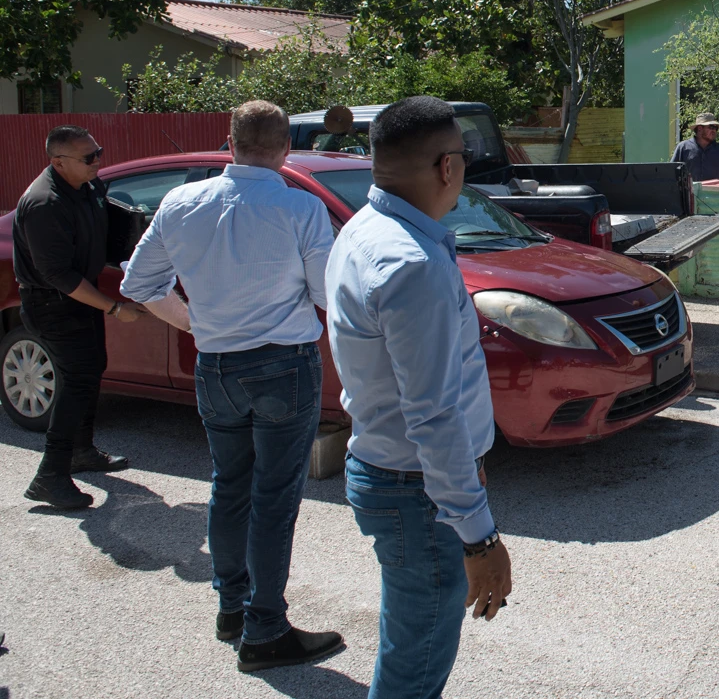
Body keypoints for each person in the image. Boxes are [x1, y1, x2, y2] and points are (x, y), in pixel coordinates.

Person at [119, 100, 343, 671]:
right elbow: (327, 295)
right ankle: (265, 628)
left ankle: (233, 608)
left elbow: (140, 285)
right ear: (286, 149)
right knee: (273, 500)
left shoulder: (179, 202)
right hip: (283, 366)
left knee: (229, 485)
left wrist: (197, 322)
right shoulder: (300, 208)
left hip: (216, 365)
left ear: (229, 141)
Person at [325, 96, 513, 699]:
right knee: (416, 665)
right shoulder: (410, 262)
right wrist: (479, 537)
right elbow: (433, 415)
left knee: (408, 643)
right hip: (417, 492)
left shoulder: (367, 229)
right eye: (462, 154)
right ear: (446, 168)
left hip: (398, 478)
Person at [13, 125, 143, 511]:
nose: (97, 161)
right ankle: (50, 476)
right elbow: (59, 276)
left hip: (76, 300)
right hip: (52, 303)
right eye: (88, 157)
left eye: (97, 152)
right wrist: (115, 308)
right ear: (58, 162)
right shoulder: (44, 204)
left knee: (90, 370)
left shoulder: (88, 187)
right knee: (77, 379)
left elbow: (110, 231)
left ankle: (81, 451)